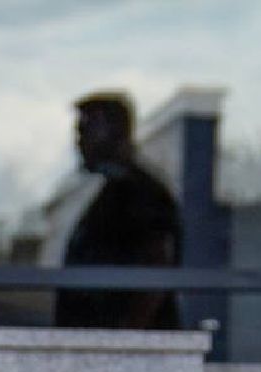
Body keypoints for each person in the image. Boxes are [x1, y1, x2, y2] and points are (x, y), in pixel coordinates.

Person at [55, 91, 182, 331]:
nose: (79, 142)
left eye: (85, 130)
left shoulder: (144, 194)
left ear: (114, 131)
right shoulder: (111, 193)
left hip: (128, 354)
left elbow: (156, 271)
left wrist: (124, 340)